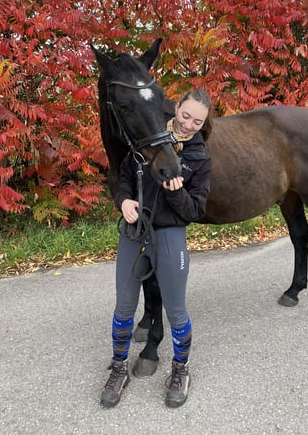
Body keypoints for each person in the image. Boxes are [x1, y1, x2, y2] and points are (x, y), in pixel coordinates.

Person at [100, 89, 213, 409]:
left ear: (203, 124)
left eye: (197, 121)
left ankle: (180, 370)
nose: (189, 124)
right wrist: (123, 202)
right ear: (176, 108)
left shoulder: (199, 158)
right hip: (134, 236)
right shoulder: (145, 140)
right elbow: (123, 178)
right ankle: (118, 368)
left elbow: (195, 211)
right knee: (123, 308)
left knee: (176, 310)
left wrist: (175, 193)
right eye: (185, 115)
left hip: (169, 237)